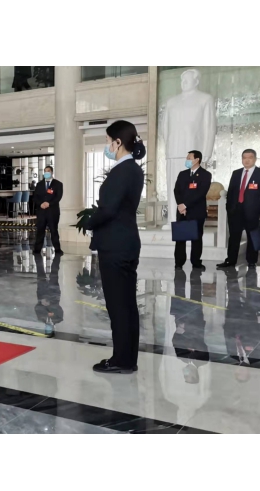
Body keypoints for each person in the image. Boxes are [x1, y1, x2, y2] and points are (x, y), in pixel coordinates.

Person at [86, 120, 146, 374]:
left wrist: (89, 221)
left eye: (108, 140)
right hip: (126, 242)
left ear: (118, 142)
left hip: (115, 245)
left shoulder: (123, 171)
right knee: (127, 304)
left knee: (118, 305)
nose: (107, 145)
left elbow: (108, 209)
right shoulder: (134, 170)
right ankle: (127, 358)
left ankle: (121, 360)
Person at [217, 149, 260, 270]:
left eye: (250, 158)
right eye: (244, 158)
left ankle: (251, 261)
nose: (247, 160)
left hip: (253, 212)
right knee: (234, 237)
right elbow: (231, 192)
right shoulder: (236, 173)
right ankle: (230, 260)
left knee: (252, 237)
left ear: (255, 159)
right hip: (235, 211)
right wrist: (229, 208)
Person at [173, 150, 212, 270]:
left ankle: (196, 262)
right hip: (181, 211)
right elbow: (176, 190)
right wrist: (180, 205)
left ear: (197, 160)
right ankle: (179, 263)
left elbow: (201, 193)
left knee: (196, 238)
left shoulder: (205, 175)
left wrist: (186, 205)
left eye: (189, 158)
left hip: (196, 211)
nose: (187, 160)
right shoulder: (182, 174)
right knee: (180, 238)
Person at [33, 166, 63, 256]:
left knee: (54, 230)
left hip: (52, 211)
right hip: (41, 211)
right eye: (45, 171)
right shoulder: (39, 184)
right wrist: (40, 204)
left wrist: (49, 203)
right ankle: (37, 249)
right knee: (40, 230)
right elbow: (35, 197)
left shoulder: (58, 184)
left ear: (52, 172)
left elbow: (58, 197)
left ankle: (57, 249)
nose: (46, 173)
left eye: (48, 171)